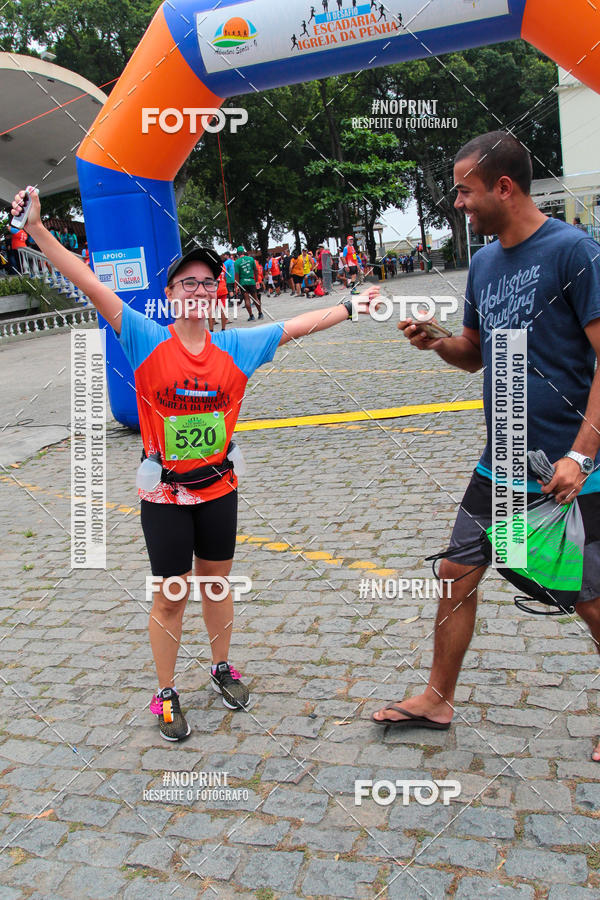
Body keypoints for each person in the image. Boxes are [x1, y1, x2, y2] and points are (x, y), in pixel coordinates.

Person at [12, 187, 381, 742]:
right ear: (171, 294)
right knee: (171, 593)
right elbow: (90, 283)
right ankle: (165, 692)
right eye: (188, 282)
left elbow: (299, 324)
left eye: (207, 283)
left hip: (219, 488)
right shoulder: (142, 336)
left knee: (216, 585)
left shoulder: (239, 346)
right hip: (164, 494)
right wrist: (38, 231)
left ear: (216, 295)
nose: (198, 290)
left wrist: (352, 306)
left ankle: (221, 666)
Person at [372, 131, 600, 764]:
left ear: (504, 187)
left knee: (587, 595)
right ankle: (437, 698)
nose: (458, 205)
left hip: (566, 465)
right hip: (500, 459)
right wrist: (439, 340)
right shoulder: (487, 262)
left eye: (466, 191)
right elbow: (474, 353)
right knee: (456, 574)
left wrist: (582, 455)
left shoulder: (574, 251)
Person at [234, 245, 262, 320]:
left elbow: (237, 275)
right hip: (251, 281)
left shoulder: (236, 262)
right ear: (243, 252)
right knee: (255, 298)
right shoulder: (251, 259)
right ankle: (260, 313)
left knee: (247, 299)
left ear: (238, 253)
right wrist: (256, 280)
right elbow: (255, 270)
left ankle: (251, 316)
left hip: (243, 282)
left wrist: (236, 285)